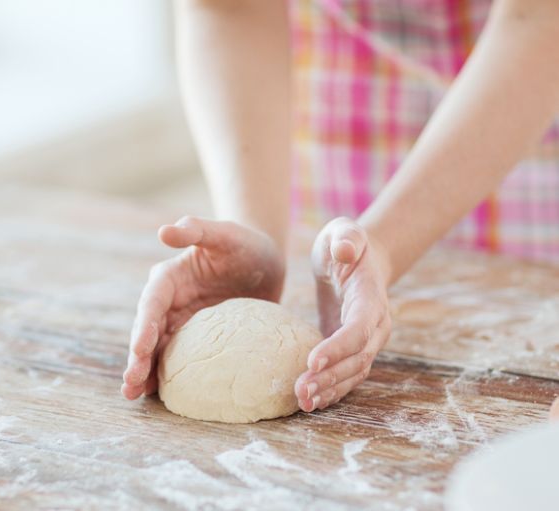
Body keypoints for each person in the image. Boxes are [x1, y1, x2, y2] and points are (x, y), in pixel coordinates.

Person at [122, 0, 559, 415]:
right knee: (342, 280)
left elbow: (539, 22)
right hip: (343, 120)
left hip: (522, 131)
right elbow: (233, 9)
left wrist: (385, 246)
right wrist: (253, 227)